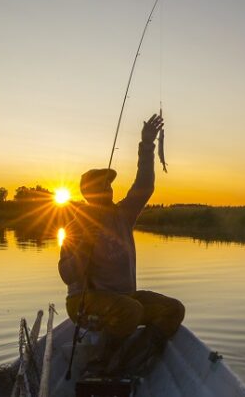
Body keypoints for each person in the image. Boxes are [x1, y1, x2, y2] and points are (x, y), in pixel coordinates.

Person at [58, 113, 185, 376]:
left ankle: (132, 361)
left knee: (173, 309)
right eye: (103, 185)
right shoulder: (75, 225)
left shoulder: (122, 215)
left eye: (110, 184)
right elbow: (67, 275)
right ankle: (105, 361)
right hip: (83, 304)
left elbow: (144, 185)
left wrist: (147, 144)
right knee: (131, 310)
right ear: (90, 193)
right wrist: (84, 245)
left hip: (124, 301)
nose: (109, 188)